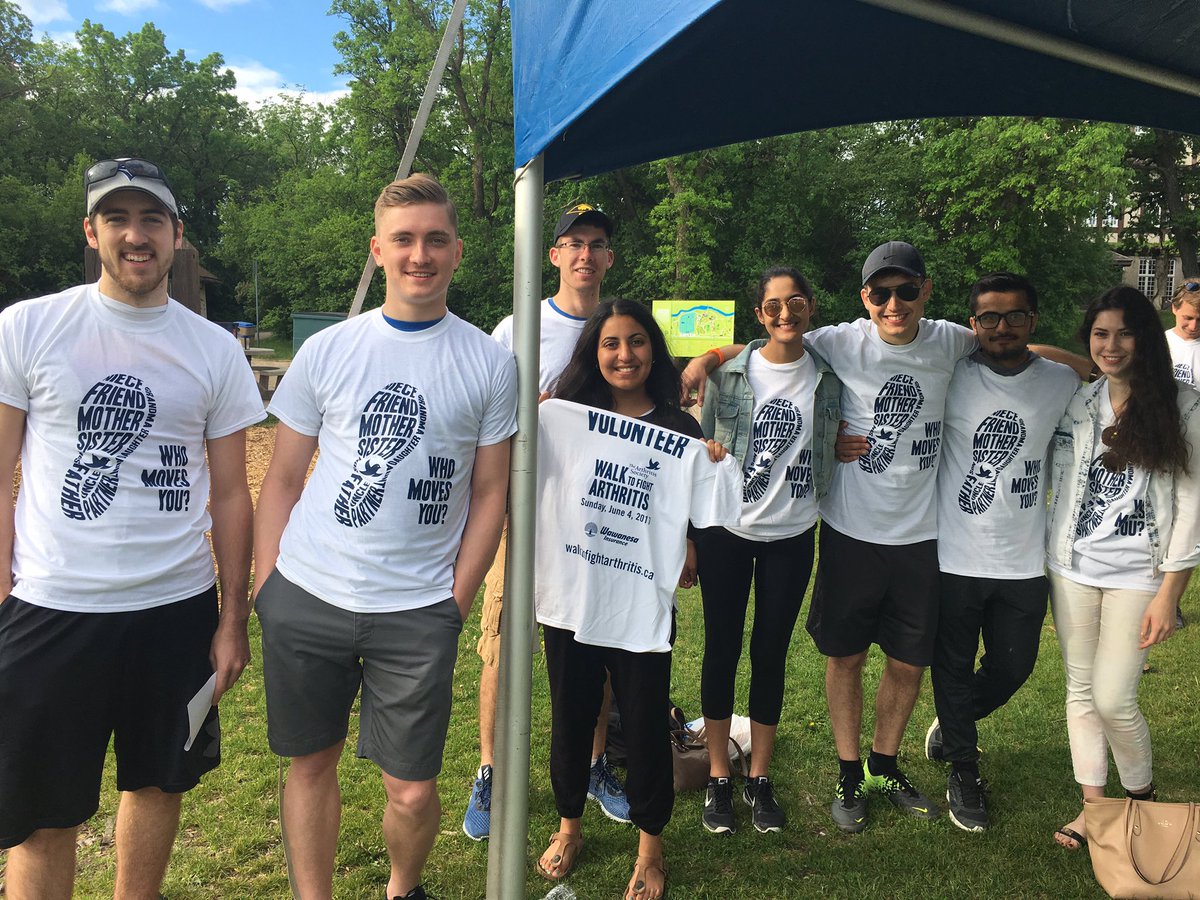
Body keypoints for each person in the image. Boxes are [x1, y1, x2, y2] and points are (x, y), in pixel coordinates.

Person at [0, 157, 263, 899]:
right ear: (92, 232)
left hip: (174, 611)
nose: (135, 235)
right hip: (52, 605)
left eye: (152, 220)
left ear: (177, 235)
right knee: (41, 819)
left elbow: (231, 497)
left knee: (157, 786)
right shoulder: (28, 328)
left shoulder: (213, 349)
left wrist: (231, 618)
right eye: (117, 218)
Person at [253, 173, 516, 900]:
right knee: (311, 766)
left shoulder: (490, 363)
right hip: (309, 594)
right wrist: (268, 584)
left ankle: (403, 888)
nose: (419, 254)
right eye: (403, 239)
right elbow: (281, 479)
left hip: (418, 609)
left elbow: (492, 491)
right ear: (379, 250)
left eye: (435, 239)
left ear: (458, 251)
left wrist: (453, 604)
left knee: (410, 790)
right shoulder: (331, 351)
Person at [533, 299, 740, 900]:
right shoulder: (564, 417)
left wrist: (710, 475)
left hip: (639, 607)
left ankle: (651, 849)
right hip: (571, 597)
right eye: (610, 344)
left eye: (637, 342)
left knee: (646, 723)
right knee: (571, 716)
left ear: (654, 350)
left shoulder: (680, 430)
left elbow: (702, 512)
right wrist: (539, 421)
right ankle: (569, 824)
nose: (624, 355)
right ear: (593, 354)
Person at [464, 203, 629, 841]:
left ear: (609, 257)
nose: (585, 254)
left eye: (596, 243)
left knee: (593, 645)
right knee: (501, 645)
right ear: (553, 255)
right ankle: (490, 772)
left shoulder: (620, 328)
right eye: (573, 243)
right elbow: (489, 415)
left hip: (596, 518)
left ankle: (593, 766)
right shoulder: (519, 327)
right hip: (526, 510)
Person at [919, 273, 1080, 832]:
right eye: (989, 317)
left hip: (1022, 558)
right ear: (972, 325)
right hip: (954, 554)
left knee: (1014, 667)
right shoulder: (950, 374)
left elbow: (1106, 371)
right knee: (954, 667)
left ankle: (954, 722)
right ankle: (964, 769)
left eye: (1015, 316)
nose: (1002, 326)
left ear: (1033, 321)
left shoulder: (1060, 380)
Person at [1046, 285, 1200, 851]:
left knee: (1114, 697)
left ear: (1147, 338)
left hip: (1141, 573)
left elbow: (1192, 506)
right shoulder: (1079, 403)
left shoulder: (1184, 406)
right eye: (1100, 333)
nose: (1112, 345)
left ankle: (1141, 801)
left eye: (1125, 332)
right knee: (1080, 692)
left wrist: (1169, 593)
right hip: (1072, 567)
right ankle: (1097, 811)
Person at [694, 266, 842, 834]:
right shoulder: (730, 374)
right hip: (725, 532)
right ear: (759, 314)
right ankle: (717, 778)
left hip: (792, 534)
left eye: (796, 303)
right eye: (773, 305)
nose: (785, 314)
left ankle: (759, 778)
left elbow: (839, 431)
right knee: (721, 649)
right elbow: (698, 456)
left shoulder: (828, 375)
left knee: (770, 654)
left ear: (810, 308)